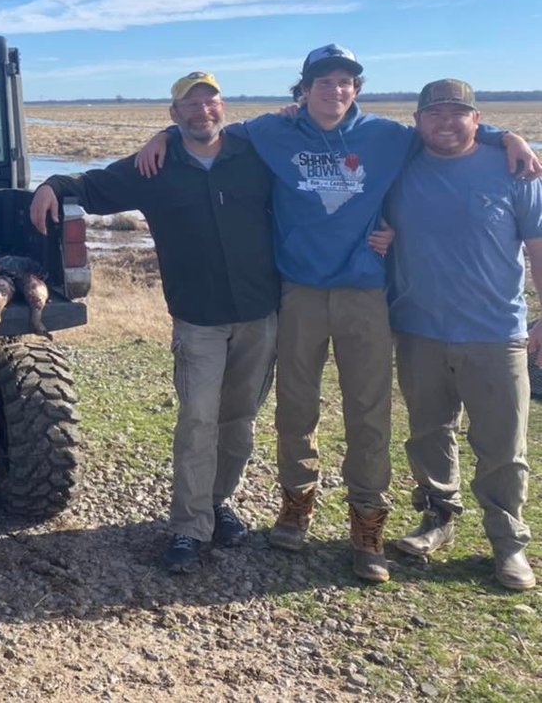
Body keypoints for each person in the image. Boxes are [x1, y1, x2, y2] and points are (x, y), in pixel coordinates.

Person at [136, 44, 539, 583]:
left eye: (345, 81)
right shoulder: (270, 132)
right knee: (295, 410)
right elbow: (203, 130)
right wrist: (161, 136)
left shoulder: (386, 137)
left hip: (365, 295)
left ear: (357, 89)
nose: (334, 90)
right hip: (298, 292)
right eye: (322, 81)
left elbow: (449, 134)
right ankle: (297, 504)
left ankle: (366, 524)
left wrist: (505, 136)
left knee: (369, 413)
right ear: (302, 90)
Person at [32, 71, 280, 573]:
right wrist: (51, 185)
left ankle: (217, 503)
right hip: (198, 320)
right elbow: (93, 185)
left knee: (240, 423)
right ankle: (189, 527)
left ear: (223, 107)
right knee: (197, 420)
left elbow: (306, 140)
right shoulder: (157, 166)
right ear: (174, 115)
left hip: (260, 315)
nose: (202, 111)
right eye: (190, 105)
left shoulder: (256, 156)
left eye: (210, 102)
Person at [382, 79, 542, 591]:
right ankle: (437, 520)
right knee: (429, 433)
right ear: (417, 121)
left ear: (477, 119)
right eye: (434, 114)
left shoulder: (514, 168)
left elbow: (538, 247)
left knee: (502, 445)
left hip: (495, 333)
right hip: (418, 329)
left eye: (458, 113)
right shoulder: (400, 168)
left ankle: (508, 543)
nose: (446, 123)